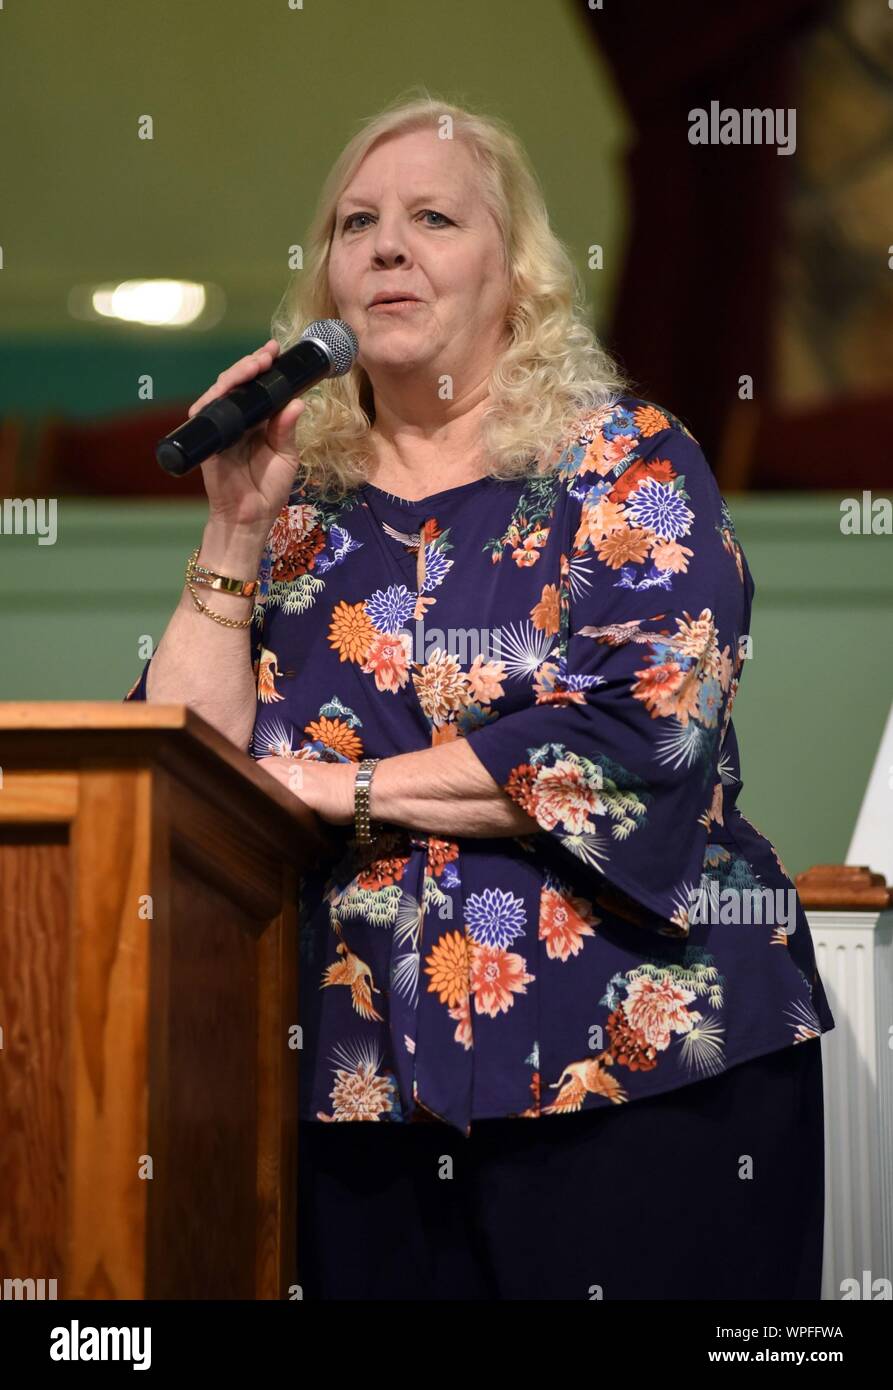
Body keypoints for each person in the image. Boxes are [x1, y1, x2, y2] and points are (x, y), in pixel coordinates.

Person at [124, 92, 834, 1300]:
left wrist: (338, 787)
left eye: (431, 217)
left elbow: (638, 725)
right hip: (353, 1089)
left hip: (635, 1063)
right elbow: (181, 773)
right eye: (356, 223)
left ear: (520, 278)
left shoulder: (627, 461)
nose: (386, 244)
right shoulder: (298, 507)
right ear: (329, 286)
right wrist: (233, 534)